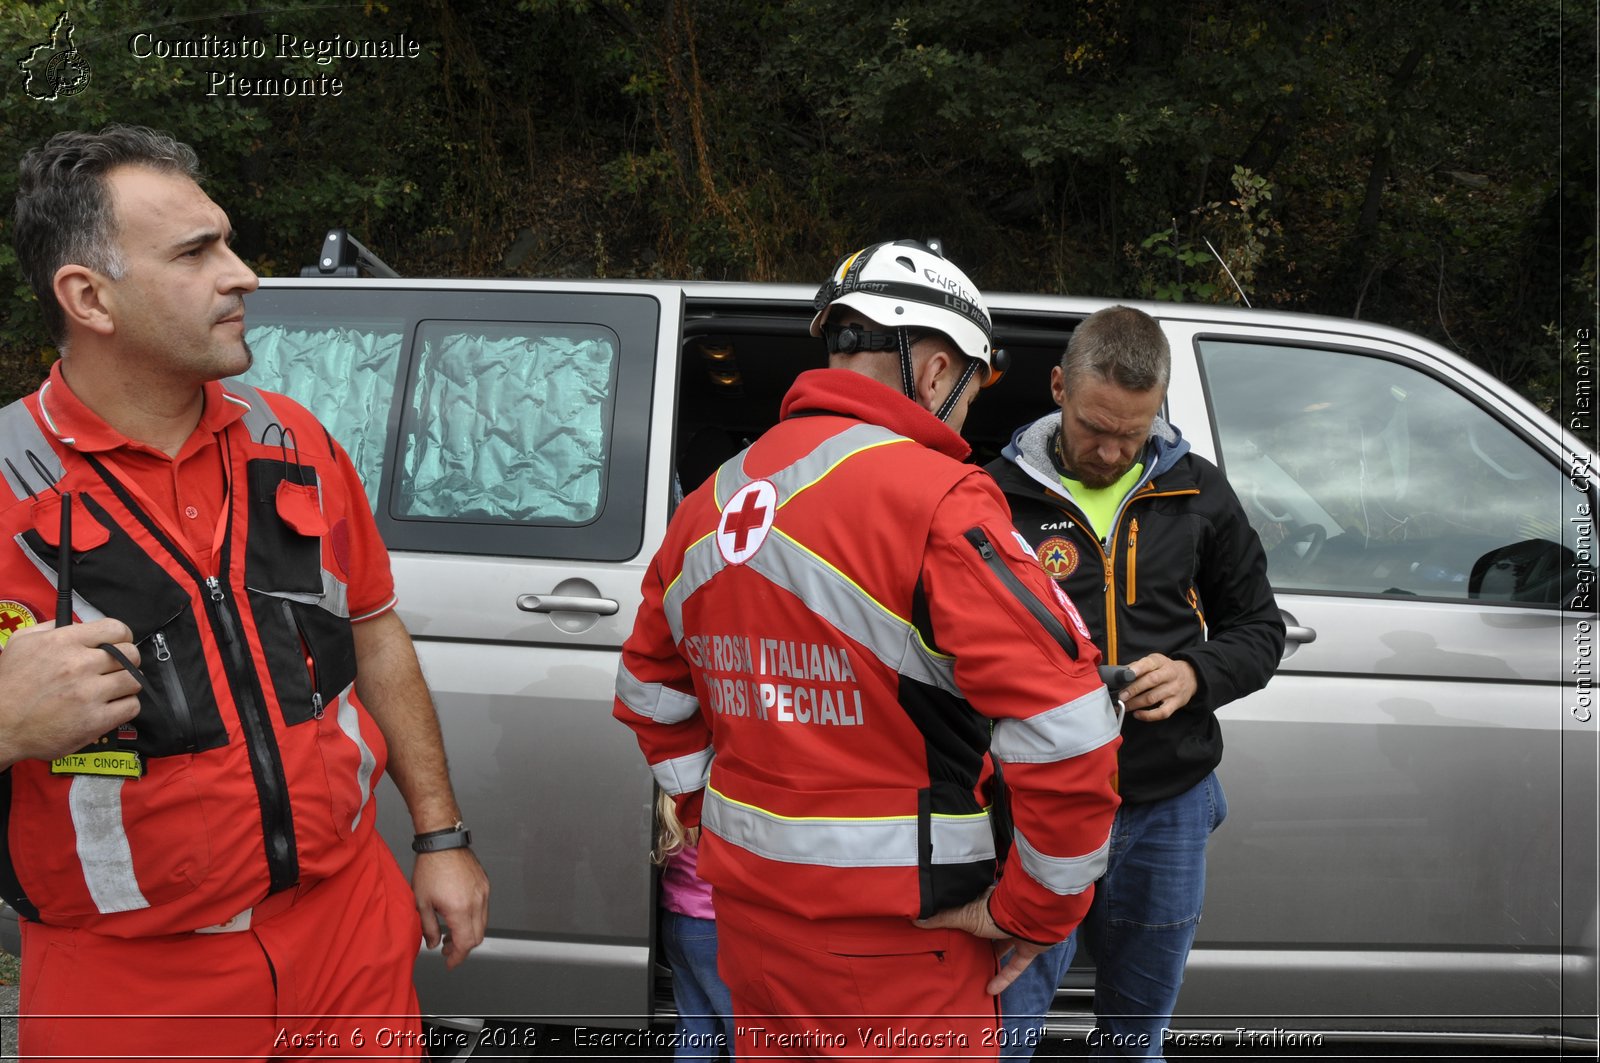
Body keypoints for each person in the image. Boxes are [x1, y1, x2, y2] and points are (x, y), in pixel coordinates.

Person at [0, 125, 490, 1061]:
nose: (245, 274)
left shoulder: (294, 438)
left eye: (226, 239)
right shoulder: (2, 481)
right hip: (128, 984)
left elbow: (374, 633)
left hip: (349, 935)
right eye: (197, 252)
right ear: (88, 296)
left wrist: (440, 835)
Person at [614, 240, 1122, 1060]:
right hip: (903, 950)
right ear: (932, 370)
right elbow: (1071, 729)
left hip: (753, 934)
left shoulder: (712, 501)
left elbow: (650, 695)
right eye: (971, 385)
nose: (964, 412)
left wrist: (720, 823)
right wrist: (1037, 909)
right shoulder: (939, 501)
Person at [988, 305, 1285, 1060]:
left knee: (1134, 1040)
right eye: (1096, 427)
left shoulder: (1198, 492)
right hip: (1032, 809)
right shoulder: (990, 497)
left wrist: (1195, 672)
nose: (1114, 450)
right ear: (1059, 386)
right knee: (998, 1035)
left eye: (1135, 430)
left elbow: (1259, 628)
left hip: (1166, 808)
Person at [654, 791, 736, 1061]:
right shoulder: (716, 819)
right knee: (741, 1029)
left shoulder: (671, 817)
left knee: (694, 1025)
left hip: (675, 926)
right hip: (712, 929)